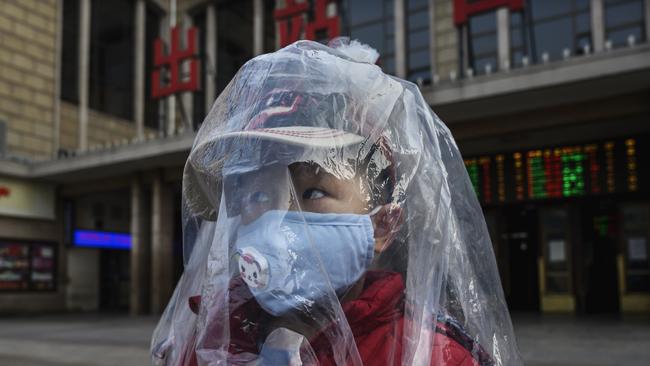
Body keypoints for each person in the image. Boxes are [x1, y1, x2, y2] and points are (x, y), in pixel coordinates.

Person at [151, 39, 521, 365]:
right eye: (256, 195)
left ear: (382, 226)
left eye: (313, 193)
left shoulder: (432, 355)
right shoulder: (209, 341)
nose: (278, 219)